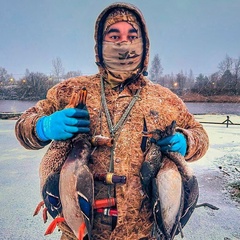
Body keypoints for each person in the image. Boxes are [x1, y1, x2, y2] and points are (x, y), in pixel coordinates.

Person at [15, 2, 209, 240]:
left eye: (131, 36)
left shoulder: (165, 99)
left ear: (144, 45)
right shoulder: (70, 90)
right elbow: (23, 126)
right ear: (100, 44)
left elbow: (200, 135)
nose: (123, 43)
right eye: (114, 35)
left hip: (143, 233)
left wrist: (187, 142)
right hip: (77, 233)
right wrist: (43, 127)